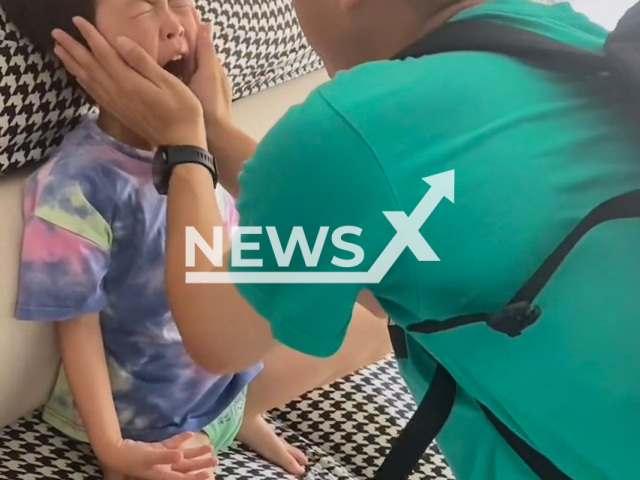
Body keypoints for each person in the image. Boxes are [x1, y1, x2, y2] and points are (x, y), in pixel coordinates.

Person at [48, 0, 640, 479]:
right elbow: (365, 228)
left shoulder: (346, 128)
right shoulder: (562, 32)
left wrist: (185, 145)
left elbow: (220, 338)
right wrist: (209, 132)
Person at [3, 0, 392, 479]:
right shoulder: (77, 183)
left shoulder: (203, 146)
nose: (174, 25)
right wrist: (113, 448)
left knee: (385, 317)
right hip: (149, 419)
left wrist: (209, 125)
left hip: (236, 383)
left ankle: (234, 421)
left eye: (181, 4)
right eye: (144, 10)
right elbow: (77, 330)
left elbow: (254, 241)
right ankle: (194, 440)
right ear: (84, 48)